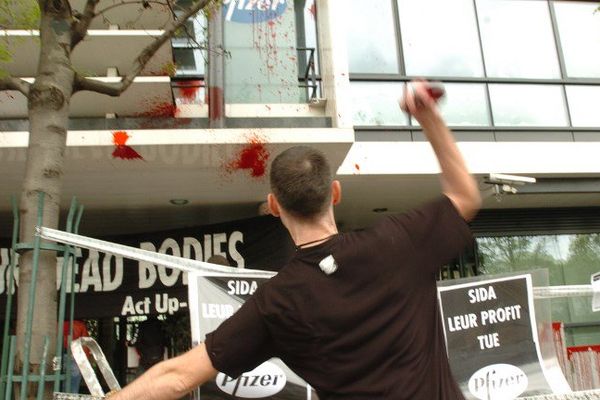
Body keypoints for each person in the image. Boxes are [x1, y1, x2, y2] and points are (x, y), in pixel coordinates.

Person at [108, 80, 482, 400]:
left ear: (273, 205)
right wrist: (427, 115)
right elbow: (466, 196)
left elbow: (178, 377)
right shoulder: (399, 243)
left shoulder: (277, 303)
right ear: (335, 193)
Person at [62, 319, 89, 393]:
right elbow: (85, 345)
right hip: (74, 357)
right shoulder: (80, 325)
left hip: (59, 356)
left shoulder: (57, 322)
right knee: (72, 390)